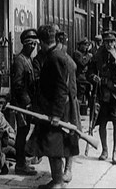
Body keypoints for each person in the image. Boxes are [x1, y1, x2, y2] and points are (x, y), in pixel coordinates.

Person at [29, 24, 79, 188]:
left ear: (42, 42)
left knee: (53, 145)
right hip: (52, 110)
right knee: (53, 145)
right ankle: (57, 180)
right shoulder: (57, 55)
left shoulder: (54, 57)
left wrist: (56, 114)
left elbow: (61, 88)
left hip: (55, 111)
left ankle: (57, 182)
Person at [87, 30, 116, 165]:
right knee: (102, 123)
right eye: (106, 41)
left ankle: (115, 152)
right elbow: (90, 72)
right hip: (102, 94)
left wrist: (115, 57)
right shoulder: (97, 55)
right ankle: (104, 150)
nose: (109, 44)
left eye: (111, 41)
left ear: (115, 42)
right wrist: (94, 77)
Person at [11, 28, 39, 175]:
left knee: (25, 131)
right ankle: (20, 165)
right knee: (21, 133)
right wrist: (26, 103)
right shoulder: (19, 60)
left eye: (35, 44)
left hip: (27, 104)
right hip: (21, 105)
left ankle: (22, 162)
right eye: (31, 44)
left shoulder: (28, 59)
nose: (33, 47)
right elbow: (18, 85)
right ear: (25, 44)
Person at [55, 27, 81, 183]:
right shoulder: (60, 58)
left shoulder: (66, 61)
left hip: (68, 103)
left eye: (62, 43)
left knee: (70, 136)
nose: (61, 46)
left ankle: (68, 169)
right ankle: (61, 170)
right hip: (60, 103)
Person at [73, 38, 93, 110]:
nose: (86, 47)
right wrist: (88, 56)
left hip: (86, 79)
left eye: (87, 45)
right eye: (84, 45)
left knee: (89, 96)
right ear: (80, 45)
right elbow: (82, 63)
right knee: (80, 97)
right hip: (80, 78)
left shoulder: (86, 54)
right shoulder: (77, 53)